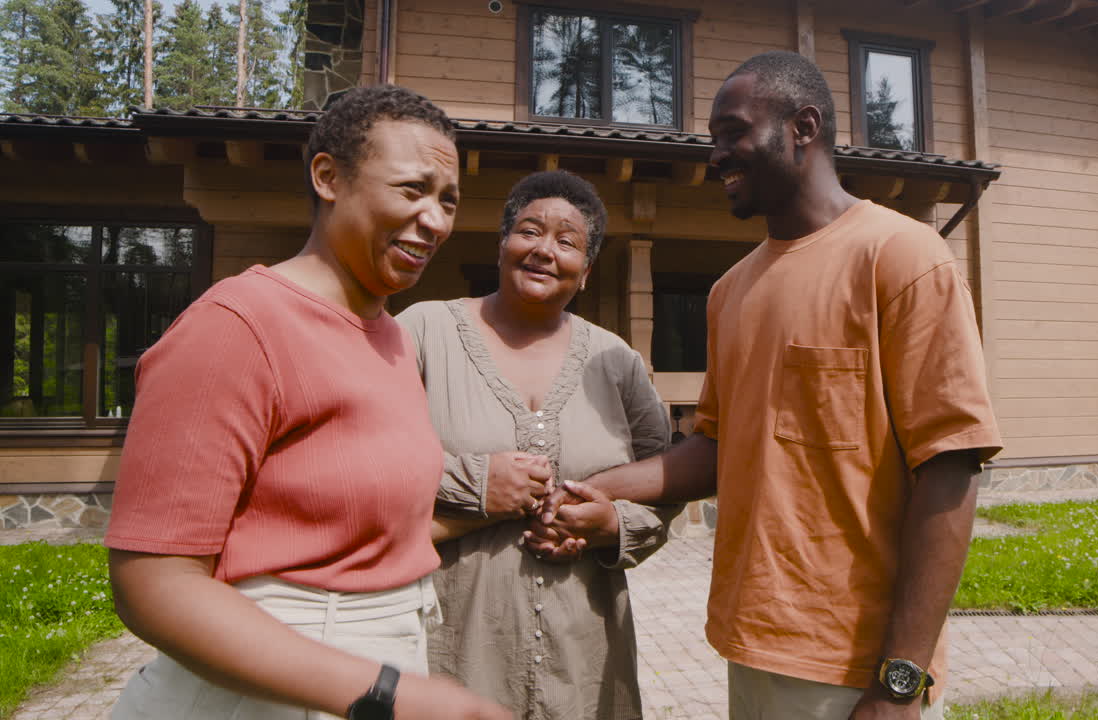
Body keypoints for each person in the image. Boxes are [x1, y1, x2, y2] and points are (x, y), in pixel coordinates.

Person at [533, 52, 1003, 720]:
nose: (717, 154)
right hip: (750, 641)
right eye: (715, 138)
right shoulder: (731, 291)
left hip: (856, 663)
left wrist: (901, 680)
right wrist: (594, 489)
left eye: (734, 132)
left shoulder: (900, 257)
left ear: (803, 125)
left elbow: (951, 466)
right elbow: (719, 449)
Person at [103, 85, 509, 720]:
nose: (435, 219)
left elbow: (347, 525)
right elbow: (152, 584)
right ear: (328, 177)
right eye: (412, 188)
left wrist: (490, 508)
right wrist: (385, 694)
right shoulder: (237, 325)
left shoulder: (394, 341)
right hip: (263, 695)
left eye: (448, 199)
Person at [396, 170, 680, 720]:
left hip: (585, 657)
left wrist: (612, 525)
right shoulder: (424, 332)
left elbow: (666, 481)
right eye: (529, 231)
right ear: (502, 244)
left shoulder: (615, 360)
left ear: (587, 271)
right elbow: (368, 459)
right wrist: (477, 484)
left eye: (567, 241)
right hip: (455, 646)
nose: (545, 250)